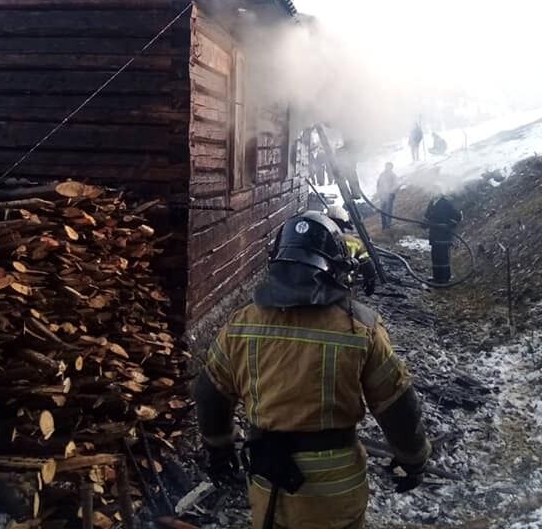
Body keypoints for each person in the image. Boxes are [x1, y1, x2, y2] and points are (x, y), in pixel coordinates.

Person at [195, 211, 431, 529]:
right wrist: (413, 459)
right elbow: (396, 404)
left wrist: (219, 450)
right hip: (336, 493)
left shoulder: (241, 324)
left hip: (269, 485)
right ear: (335, 267)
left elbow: (211, 393)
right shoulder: (360, 327)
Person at [424, 195, 462, 284]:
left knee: (443, 257)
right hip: (434, 235)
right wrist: (424, 223)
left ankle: (444, 278)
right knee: (435, 256)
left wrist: (448, 225)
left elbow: (457, 217)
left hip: (444, 236)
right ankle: (436, 277)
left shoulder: (446, 203)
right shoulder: (432, 202)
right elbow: (427, 217)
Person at [376, 162, 398, 231]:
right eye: (386, 166)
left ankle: (388, 225)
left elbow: (395, 185)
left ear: (391, 167)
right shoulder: (382, 175)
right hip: (382, 195)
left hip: (390, 195)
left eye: (389, 166)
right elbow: (378, 184)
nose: (387, 167)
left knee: (388, 210)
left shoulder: (393, 175)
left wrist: (390, 191)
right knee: (383, 210)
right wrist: (379, 192)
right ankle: (384, 225)